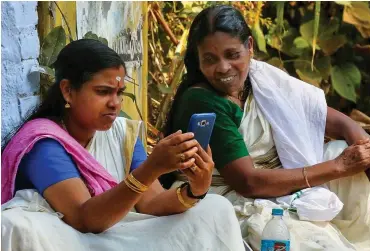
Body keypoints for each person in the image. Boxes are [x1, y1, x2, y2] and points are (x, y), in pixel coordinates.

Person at [164, 5, 370, 251]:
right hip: (233, 199)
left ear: (249, 47)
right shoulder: (202, 100)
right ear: (198, 60)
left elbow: (344, 125)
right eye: (210, 59)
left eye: (232, 55)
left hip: (282, 179)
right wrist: (339, 166)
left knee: (346, 154)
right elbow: (248, 183)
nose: (222, 68)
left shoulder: (262, 80)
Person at [1, 39, 245, 251]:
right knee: (17, 227)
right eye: (103, 92)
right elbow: (84, 219)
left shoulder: (121, 133)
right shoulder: (43, 142)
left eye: (119, 93)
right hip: (72, 241)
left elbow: (151, 204)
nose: (115, 103)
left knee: (216, 207)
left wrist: (196, 190)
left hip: (115, 234)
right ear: (67, 91)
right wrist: (152, 168)